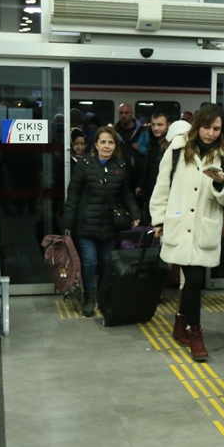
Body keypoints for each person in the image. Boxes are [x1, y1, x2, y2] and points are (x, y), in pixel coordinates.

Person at [150, 104, 224, 362]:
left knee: (191, 280)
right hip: (178, 224)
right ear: (197, 125)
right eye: (206, 127)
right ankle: (196, 333)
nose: (210, 133)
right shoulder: (177, 149)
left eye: (216, 129)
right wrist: (158, 220)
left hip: (203, 228)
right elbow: (162, 186)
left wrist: (220, 182)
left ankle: (180, 323)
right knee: (194, 281)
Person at [62, 124, 141, 317]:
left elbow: (126, 194)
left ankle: (102, 294)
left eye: (110, 142)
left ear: (115, 146)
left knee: (106, 262)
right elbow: (73, 194)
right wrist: (68, 223)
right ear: (95, 144)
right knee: (89, 262)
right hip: (86, 225)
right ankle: (89, 298)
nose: (106, 146)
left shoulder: (121, 166)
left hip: (109, 225)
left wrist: (135, 214)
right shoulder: (84, 165)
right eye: (103, 142)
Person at [137, 111, 170, 222]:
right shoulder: (151, 143)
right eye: (153, 124)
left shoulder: (172, 145)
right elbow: (148, 167)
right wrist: (142, 185)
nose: (156, 128)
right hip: (151, 190)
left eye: (160, 125)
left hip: (167, 193)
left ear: (168, 125)